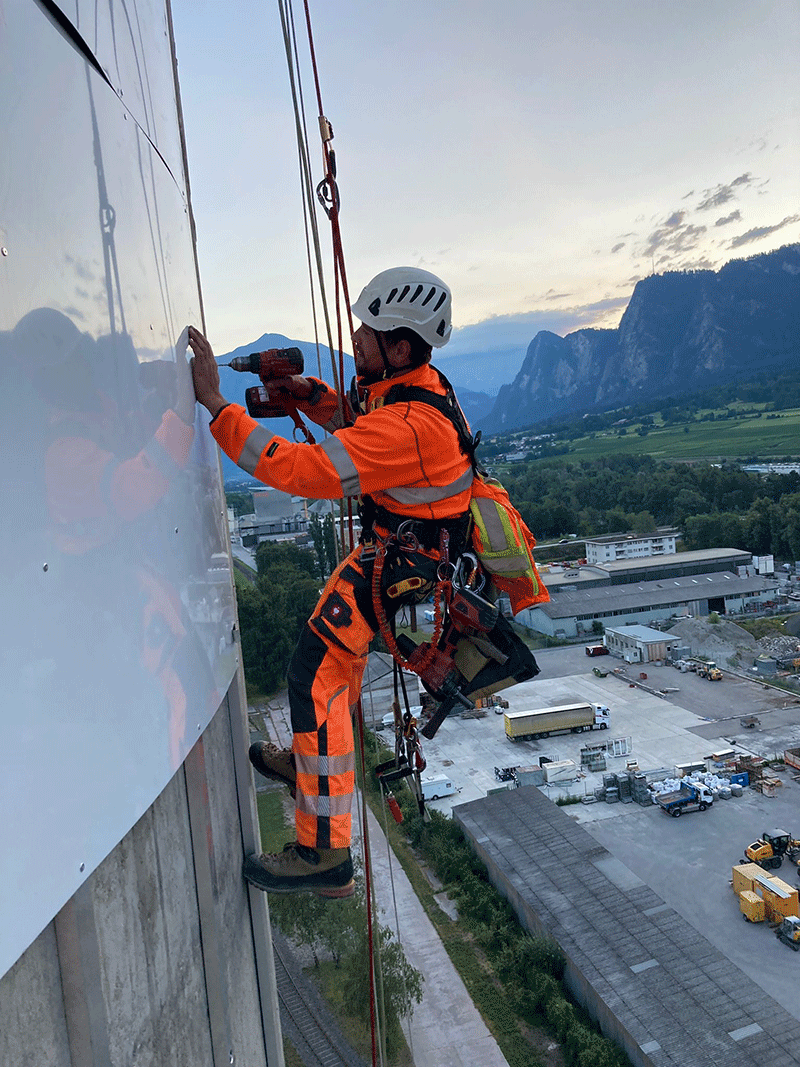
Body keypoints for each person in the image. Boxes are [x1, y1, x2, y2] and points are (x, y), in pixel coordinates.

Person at [189, 267, 476, 897]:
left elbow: (304, 469)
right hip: (397, 557)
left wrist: (218, 407)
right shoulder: (411, 386)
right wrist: (305, 394)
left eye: (368, 333)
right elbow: (357, 417)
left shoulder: (412, 426)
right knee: (332, 669)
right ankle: (313, 764)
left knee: (313, 673)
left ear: (400, 346)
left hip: (400, 565)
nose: (356, 338)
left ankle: (324, 853)